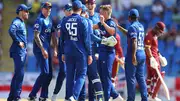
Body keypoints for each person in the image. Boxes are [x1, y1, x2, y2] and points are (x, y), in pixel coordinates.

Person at [60, 1, 92, 101]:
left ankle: (68, 97)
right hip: (80, 52)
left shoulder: (64, 20)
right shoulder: (83, 21)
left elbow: (62, 39)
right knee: (81, 75)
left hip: (68, 51)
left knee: (70, 76)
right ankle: (73, 96)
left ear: (72, 8)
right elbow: (87, 40)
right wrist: (90, 54)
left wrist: (63, 52)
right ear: (81, 9)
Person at [115, 9, 148, 101]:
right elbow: (130, 34)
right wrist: (120, 27)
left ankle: (131, 99)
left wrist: (133, 55)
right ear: (138, 17)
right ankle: (145, 99)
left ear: (129, 18)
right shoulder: (141, 26)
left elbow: (134, 40)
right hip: (142, 53)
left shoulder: (132, 27)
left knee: (131, 79)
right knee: (141, 78)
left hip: (134, 54)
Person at [93, 4, 124, 101]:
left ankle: (107, 98)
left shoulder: (111, 22)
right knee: (102, 78)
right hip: (102, 53)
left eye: (101, 12)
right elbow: (92, 27)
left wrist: (103, 23)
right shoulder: (101, 23)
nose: (100, 14)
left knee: (106, 79)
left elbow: (112, 32)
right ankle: (116, 96)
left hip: (108, 53)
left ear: (106, 13)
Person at [28, 2, 57, 101]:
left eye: (50, 8)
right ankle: (32, 94)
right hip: (40, 49)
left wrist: (55, 49)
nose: (48, 10)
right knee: (45, 72)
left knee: (49, 74)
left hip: (48, 48)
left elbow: (53, 34)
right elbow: (36, 36)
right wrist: (42, 49)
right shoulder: (39, 20)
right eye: (46, 8)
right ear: (42, 9)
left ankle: (43, 96)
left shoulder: (49, 19)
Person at [7, 4, 31, 101]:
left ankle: (11, 97)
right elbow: (11, 30)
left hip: (20, 51)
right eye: (26, 11)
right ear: (21, 11)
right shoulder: (17, 21)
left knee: (17, 74)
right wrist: (18, 41)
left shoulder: (21, 22)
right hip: (18, 51)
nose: (28, 13)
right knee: (20, 74)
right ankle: (16, 97)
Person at [51, 3, 73, 101]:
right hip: (63, 50)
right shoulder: (62, 21)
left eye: (71, 9)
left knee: (72, 73)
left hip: (73, 51)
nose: (69, 11)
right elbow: (59, 34)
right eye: (67, 9)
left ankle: (69, 96)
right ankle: (55, 94)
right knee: (63, 72)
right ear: (64, 11)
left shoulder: (76, 20)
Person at [144, 21, 167, 101]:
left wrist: (160, 56)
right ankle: (153, 95)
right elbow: (147, 48)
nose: (160, 34)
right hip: (152, 59)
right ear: (156, 28)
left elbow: (154, 48)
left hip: (154, 58)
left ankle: (149, 95)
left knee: (150, 77)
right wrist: (151, 58)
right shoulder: (149, 35)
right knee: (158, 76)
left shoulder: (155, 35)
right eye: (160, 32)